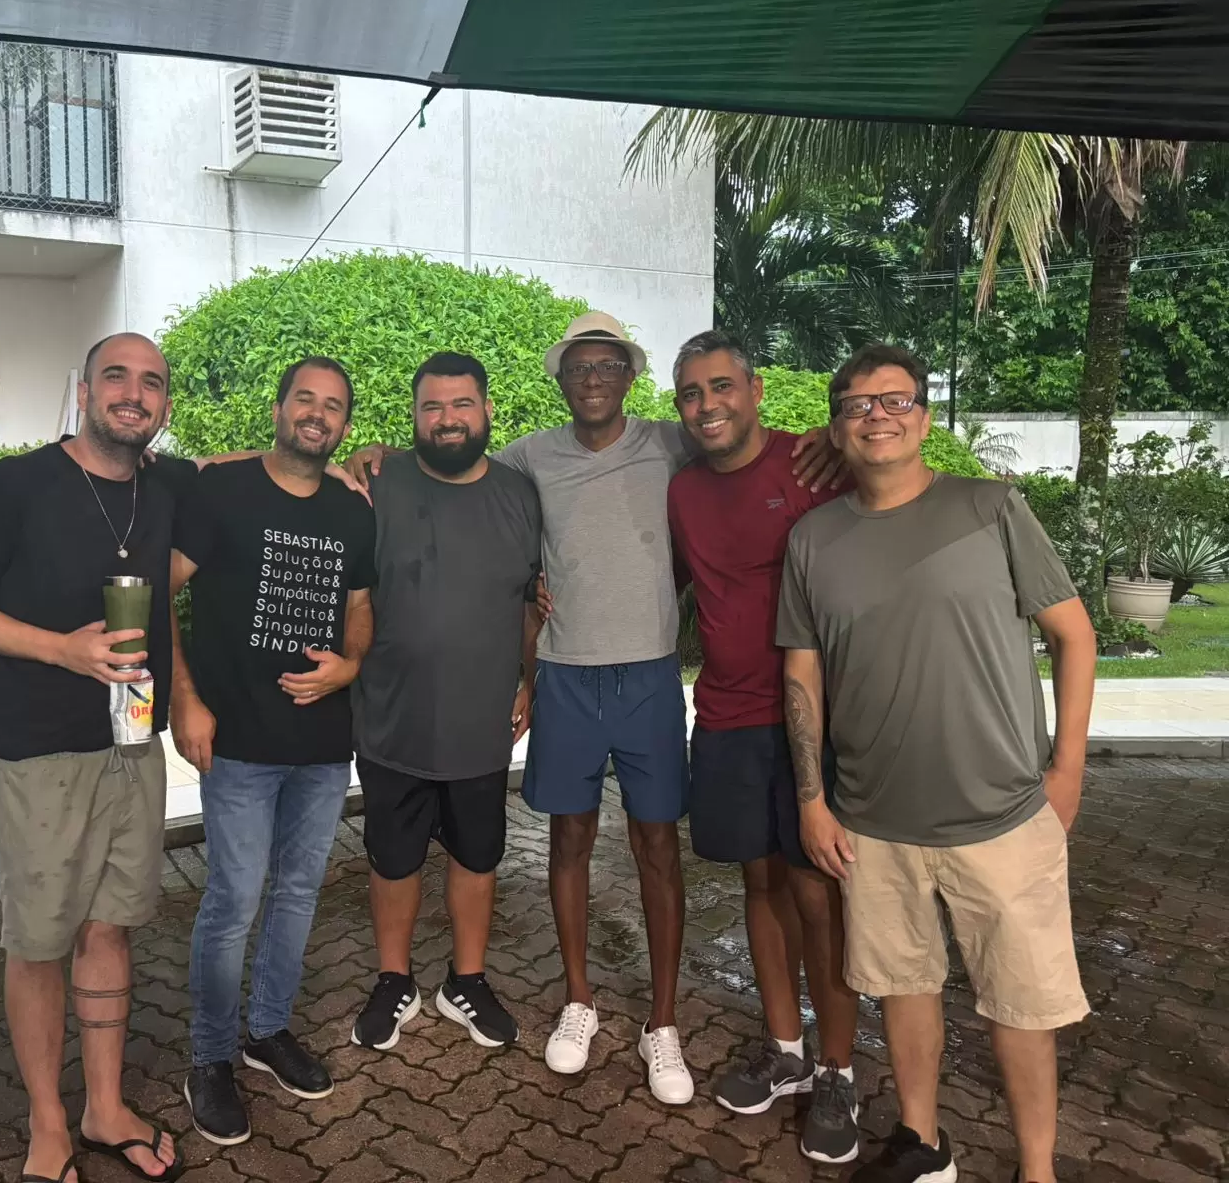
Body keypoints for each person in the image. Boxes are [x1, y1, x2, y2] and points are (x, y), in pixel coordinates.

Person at [348, 312, 842, 1106]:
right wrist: (373, 455)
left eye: (609, 365)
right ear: (560, 380)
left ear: (631, 377)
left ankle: (662, 1022)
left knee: (657, 847)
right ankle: (578, 1001)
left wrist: (829, 437)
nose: (593, 379)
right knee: (569, 840)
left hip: (649, 678)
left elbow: (743, 439)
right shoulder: (529, 458)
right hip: (567, 677)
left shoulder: (674, 441)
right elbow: (452, 460)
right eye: (579, 367)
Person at [777, 344, 1096, 1183]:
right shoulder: (813, 539)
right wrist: (812, 799)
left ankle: (1036, 1168)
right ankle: (923, 1144)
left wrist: (1066, 770)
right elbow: (802, 674)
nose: (876, 416)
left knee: (1021, 1004)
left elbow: (1074, 635)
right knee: (903, 987)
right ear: (836, 430)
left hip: (1001, 814)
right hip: (873, 819)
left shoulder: (990, 508)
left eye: (895, 401)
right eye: (856, 405)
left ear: (923, 418)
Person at [0, 334, 192, 1183]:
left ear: (164, 405)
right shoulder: (15, 484)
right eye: (116, 377)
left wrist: (360, 461)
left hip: (133, 745)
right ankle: (47, 1123)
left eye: (152, 382)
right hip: (39, 751)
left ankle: (103, 1107)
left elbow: (250, 468)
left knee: (109, 930)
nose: (134, 394)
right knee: (39, 943)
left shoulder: (166, 487)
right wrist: (61, 649)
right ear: (84, 391)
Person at [665, 330, 863, 1164]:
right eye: (690, 393)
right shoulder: (681, 490)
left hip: (816, 719)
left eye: (721, 387)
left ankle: (839, 1070)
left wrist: (842, 437)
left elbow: (896, 485)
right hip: (728, 716)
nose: (706, 405)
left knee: (820, 893)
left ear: (755, 392)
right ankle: (786, 1051)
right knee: (760, 881)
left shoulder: (811, 466)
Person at [169, 356, 377, 1146]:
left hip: (323, 746)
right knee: (232, 901)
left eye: (333, 406)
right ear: (279, 408)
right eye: (304, 400)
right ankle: (210, 1057)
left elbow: (360, 606)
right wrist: (184, 696)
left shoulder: (353, 510)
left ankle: (267, 1031)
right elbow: (160, 590)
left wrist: (351, 664)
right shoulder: (221, 490)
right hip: (240, 741)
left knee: (297, 894)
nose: (317, 414)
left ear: (345, 425)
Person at [349, 352, 542, 1053]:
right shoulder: (376, 482)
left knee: (477, 855)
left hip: (480, 722)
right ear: (413, 415)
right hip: (391, 717)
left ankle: (467, 980)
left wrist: (531, 681)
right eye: (432, 406)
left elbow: (530, 602)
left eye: (462, 404)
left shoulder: (521, 495)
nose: (448, 419)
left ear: (486, 409)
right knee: (392, 859)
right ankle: (393, 980)